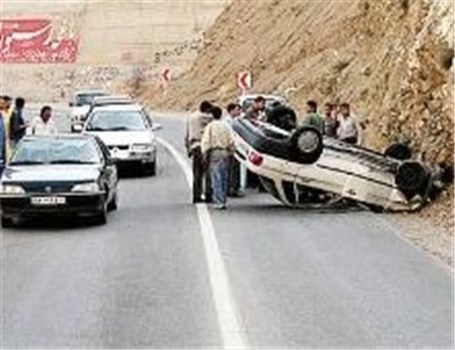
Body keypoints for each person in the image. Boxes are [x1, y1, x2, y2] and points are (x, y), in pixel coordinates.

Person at [201, 106, 235, 210]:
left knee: (216, 177)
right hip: (225, 152)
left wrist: (204, 154)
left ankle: (218, 201)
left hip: (215, 152)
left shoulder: (210, 126)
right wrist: (231, 151)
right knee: (224, 176)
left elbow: (206, 141)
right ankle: (223, 199)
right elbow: (232, 140)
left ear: (212, 115)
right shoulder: (226, 125)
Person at [185, 101, 213, 203]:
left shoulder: (191, 117)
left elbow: (187, 135)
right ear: (206, 109)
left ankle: (196, 196)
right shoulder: (205, 118)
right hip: (203, 146)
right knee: (208, 173)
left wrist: (188, 148)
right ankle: (208, 195)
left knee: (197, 174)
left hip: (194, 146)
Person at [225, 103, 244, 197]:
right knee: (231, 168)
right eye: (237, 110)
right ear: (231, 110)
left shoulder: (237, 120)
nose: (239, 112)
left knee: (236, 169)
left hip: (237, 147)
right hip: (230, 148)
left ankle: (235, 188)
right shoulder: (227, 122)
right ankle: (230, 189)